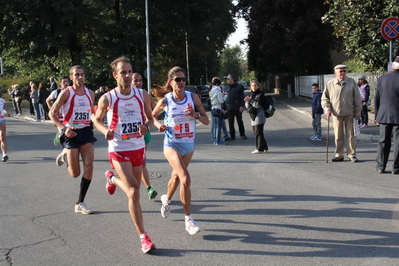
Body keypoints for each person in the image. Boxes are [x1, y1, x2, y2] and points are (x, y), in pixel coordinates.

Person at [92, 57, 156, 253]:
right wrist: (104, 131)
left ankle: (111, 178)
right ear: (115, 75)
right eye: (123, 72)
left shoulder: (142, 95)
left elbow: (151, 119)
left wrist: (146, 127)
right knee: (135, 191)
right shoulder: (108, 98)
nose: (128, 76)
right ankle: (143, 237)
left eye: (130, 72)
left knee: (133, 194)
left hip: (137, 147)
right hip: (118, 148)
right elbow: (96, 119)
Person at [152, 66, 209, 235]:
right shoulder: (166, 100)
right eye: (178, 79)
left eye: (183, 79)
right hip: (172, 144)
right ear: (171, 82)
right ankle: (189, 219)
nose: (182, 82)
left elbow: (206, 120)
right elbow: (152, 116)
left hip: (188, 144)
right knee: (185, 177)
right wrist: (158, 125)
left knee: (177, 177)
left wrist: (195, 115)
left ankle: (166, 199)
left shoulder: (193, 98)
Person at [49, 65, 97, 215]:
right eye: (77, 75)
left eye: (82, 74)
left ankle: (80, 202)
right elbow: (52, 113)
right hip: (71, 133)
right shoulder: (66, 93)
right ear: (71, 77)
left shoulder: (90, 93)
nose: (80, 77)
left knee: (89, 167)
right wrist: (63, 128)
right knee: (75, 173)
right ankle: (66, 154)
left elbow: (90, 113)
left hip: (86, 132)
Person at [322, 64, 362, 162]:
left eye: (344, 71)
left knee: (351, 135)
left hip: (349, 113)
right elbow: (325, 98)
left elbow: (357, 98)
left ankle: (352, 155)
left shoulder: (351, 82)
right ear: (335, 73)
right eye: (340, 71)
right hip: (336, 114)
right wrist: (327, 109)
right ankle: (339, 155)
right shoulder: (330, 84)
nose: (343, 73)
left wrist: (358, 111)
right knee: (338, 135)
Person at [132, 72, 158, 200]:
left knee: (141, 162)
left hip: (143, 132)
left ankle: (149, 188)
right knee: (130, 165)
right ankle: (113, 179)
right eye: (135, 80)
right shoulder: (123, 96)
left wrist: (149, 123)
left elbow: (154, 112)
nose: (138, 83)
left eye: (140, 80)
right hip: (128, 136)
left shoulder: (145, 95)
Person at [374, 57, 399, 174]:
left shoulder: (382, 79)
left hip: (384, 115)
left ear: (393, 66)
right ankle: (396, 168)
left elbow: (377, 98)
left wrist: (377, 116)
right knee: (398, 143)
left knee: (383, 141)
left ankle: (380, 166)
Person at [244, 80, 268, 153]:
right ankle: (264, 147)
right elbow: (247, 106)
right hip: (253, 116)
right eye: (252, 85)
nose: (254, 87)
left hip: (260, 116)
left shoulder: (260, 95)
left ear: (258, 86)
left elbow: (259, 105)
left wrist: (251, 101)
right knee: (256, 132)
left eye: (255, 85)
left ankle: (259, 148)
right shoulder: (251, 95)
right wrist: (247, 102)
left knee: (258, 133)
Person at [46, 76, 70, 145]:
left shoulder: (71, 91)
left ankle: (66, 149)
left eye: (67, 82)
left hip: (69, 115)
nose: (66, 83)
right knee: (63, 133)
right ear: (60, 83)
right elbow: (48, 100)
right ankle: (60, 138)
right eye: (64, 82)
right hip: (59, 116)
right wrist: (53, 110)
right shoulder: (56, 92)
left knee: (68, 134)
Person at [224, 74, 247, 140]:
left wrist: (241, 106)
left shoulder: (239, 87)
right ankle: (232, 135)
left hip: (237, 107)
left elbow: (242, 97)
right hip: (229, 107)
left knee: (239, 121)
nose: (227, 80)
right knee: (230, 122)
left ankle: (242, 134)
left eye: (228, 79)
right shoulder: (226, 87)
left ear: (232, 79)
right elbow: (224, 98)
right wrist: (225, 108)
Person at [209, 77, 227, 145]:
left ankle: (214, 139)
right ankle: (218, 140)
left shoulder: (211, 89)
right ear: (217, 84)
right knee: (218, 126)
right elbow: (221, 101)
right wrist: (225, 96)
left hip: (213, 108)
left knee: (214, 125)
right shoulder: (217, 90)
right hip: (218, 108)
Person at [0, 97, 10, 162]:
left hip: (1, 120)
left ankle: (4, 154)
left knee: (3, 138)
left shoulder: (2, 100)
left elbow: (2, 108)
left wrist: (6, 112)